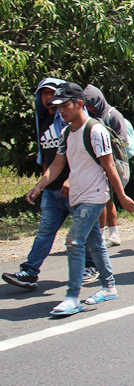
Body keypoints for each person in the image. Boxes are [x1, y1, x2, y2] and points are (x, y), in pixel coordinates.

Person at [25, 82, 134, 316]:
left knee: (74, 242)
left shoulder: (95, 130)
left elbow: (109, 167)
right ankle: (108, 288)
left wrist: (122, 197)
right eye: (58, 107)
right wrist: (38, 187)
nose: (61, 111)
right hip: (77, 196)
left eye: (65, 105)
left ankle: (72, 296)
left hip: (94, 197)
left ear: (79, 104)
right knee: (94, 244)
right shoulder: (66, 132)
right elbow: (57, 165)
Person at [3, 78, 96, 291]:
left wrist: (71, 179)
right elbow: (52, 161)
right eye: (43, 94)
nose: (47, 98)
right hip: (53, 190)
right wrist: (39, 185)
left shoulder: (78, 123)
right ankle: (30, 272)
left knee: (84, 233)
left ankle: (92, 268)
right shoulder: (45, 121)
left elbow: (89, 157)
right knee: (45, 231)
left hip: (78, 189)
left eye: (51, 93)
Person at [83, 85, 129, 248]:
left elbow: (123, 141)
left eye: (90, 104)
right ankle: (106, 234)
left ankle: (107, 235)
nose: (88, 108)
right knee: (105, 199)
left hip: (115, 162)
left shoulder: (113, 115)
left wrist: (104, 134)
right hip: (100, 163)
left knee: (106, 199)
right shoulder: (92, 117)